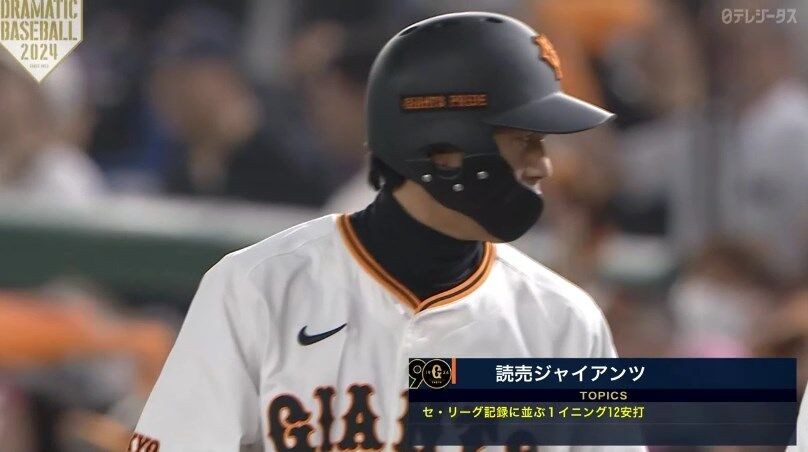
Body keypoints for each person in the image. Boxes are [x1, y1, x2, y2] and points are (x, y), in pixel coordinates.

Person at [132, 12, 645, 451]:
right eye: (524, 140)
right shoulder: (257, 290)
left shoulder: (564, 321)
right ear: (443, 147)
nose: (542, 165)